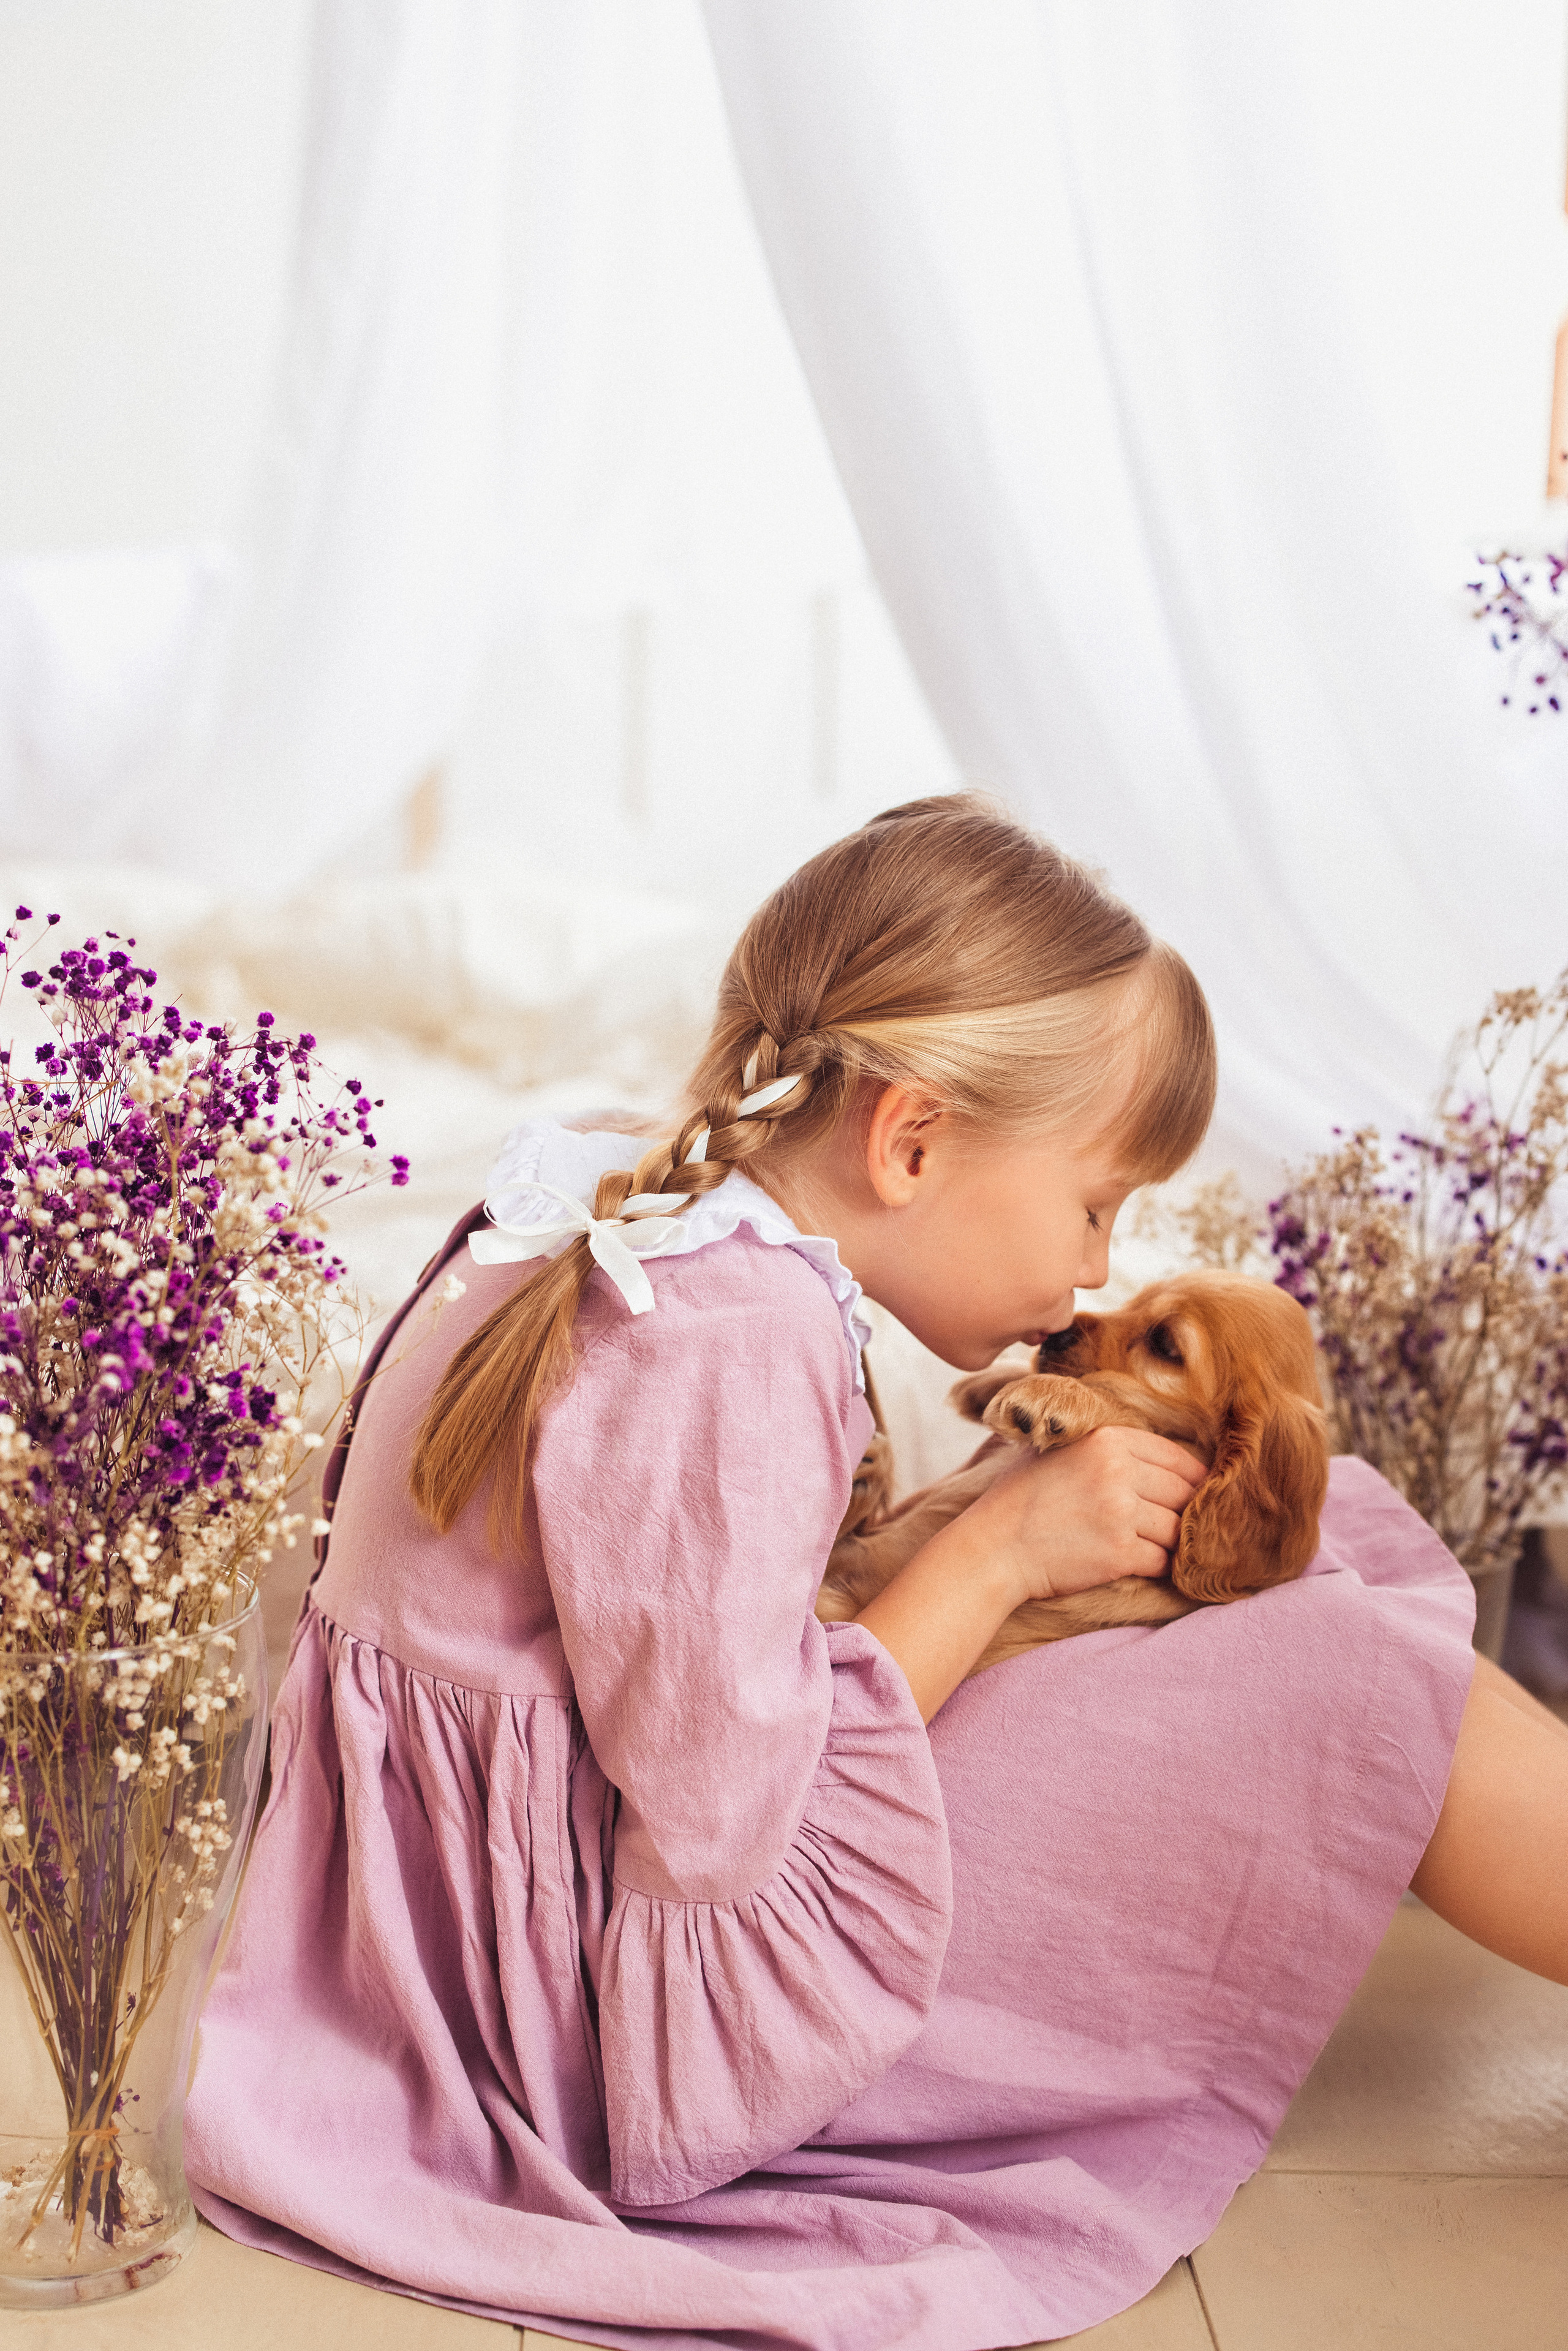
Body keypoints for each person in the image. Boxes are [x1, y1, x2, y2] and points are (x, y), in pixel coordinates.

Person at [186, 798, 1568, 2350]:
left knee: (1343, 1548)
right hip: (582, 2012)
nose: (1097, 1269)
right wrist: (998, 1550)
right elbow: (730, 1816)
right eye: (1095, 1201)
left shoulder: (641, 1217)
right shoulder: (728, 1342)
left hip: (509, 1910)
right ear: (910, 1140)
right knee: (1356, 1668)